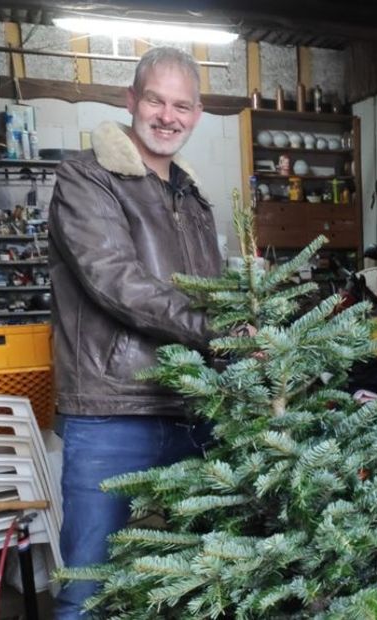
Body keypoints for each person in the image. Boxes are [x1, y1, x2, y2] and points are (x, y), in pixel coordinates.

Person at [48, 47, 221, 618]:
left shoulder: (194, 199)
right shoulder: (86, 178)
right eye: (156, 100)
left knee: (199, 578)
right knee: (90, 585)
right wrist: (214, 330)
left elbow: (213, 290)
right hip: (111, 411)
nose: (168, 116)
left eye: (182, 105)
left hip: (193, 408)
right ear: (131, 101)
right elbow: (115, 280)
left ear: (196, 115)